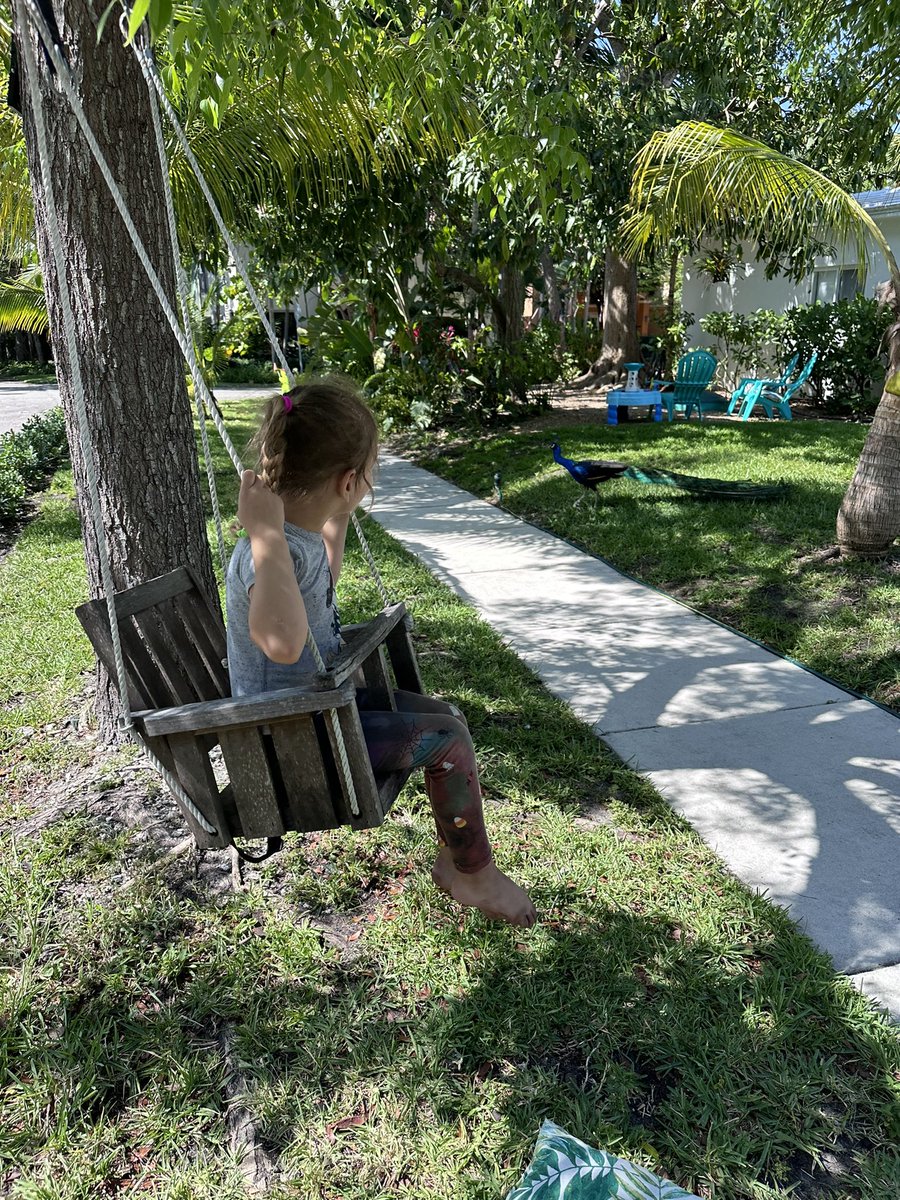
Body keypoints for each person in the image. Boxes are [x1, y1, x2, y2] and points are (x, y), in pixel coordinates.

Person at [226, 377, 537, 927]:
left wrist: (334, 519)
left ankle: (456, 860)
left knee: (447, 720)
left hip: (316, 717)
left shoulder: (296, 542)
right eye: (366, 478)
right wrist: (265, 534)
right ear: (349, 481)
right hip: (292, 741)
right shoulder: (266, 553)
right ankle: (475, 875)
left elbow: (319, 591)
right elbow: (282, 641)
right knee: (444, 742)